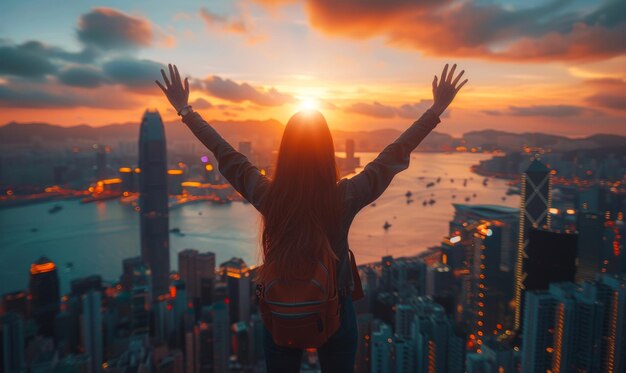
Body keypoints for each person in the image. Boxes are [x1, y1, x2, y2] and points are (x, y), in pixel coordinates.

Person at [156, 63, 467, 372]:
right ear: (327, 152)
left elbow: (226, 154)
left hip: (280, 310)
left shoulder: (270, 196)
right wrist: (435, 109)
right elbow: (391, 156)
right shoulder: (342, 197)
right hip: (335, 307)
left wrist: (186, 110)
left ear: (285, 152)